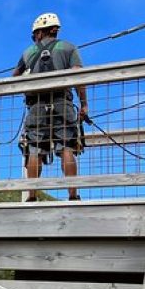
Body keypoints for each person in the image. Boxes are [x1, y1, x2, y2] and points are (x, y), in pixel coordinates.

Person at [12, 12, 89, 201]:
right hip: (63, 102)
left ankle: (31, 196)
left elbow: (14, 78)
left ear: (39, 32)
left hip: (36, 106)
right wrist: (84, 104)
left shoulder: (28, 53)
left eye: (34, 34)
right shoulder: (68, 48)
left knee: (35, 148)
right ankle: (72, 195)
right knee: (67, 147)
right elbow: (79, 76)